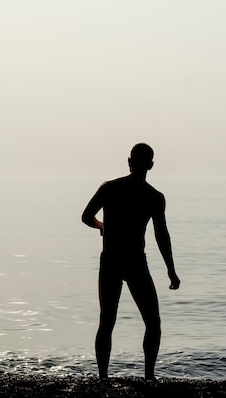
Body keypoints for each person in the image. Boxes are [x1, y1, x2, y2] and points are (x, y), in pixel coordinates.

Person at [82, 143, 180, 381]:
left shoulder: (110, 188)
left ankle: (103, 377)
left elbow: (86, 216)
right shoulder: (154, 197)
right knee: (153, 322)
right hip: (135, 262)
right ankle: (148, 377)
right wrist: (171, 270)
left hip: (112, 260)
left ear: (129, 161)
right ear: (151, 165)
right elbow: (161, 236)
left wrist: (101, 225)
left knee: (107, 321)